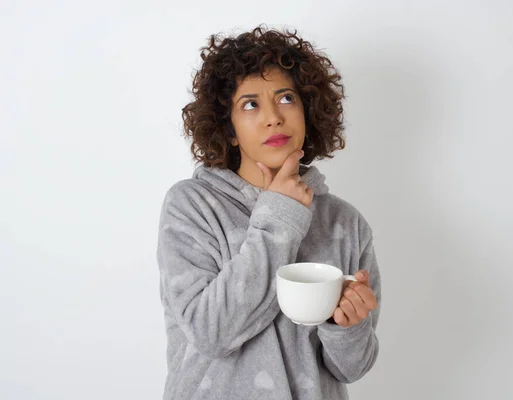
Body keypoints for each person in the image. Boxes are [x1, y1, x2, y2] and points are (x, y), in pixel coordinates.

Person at [156, 25, 382, 400]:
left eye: (287, 98)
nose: (274, 117)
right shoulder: (191, 207)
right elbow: (211, 333)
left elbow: (351, 368)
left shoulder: (345, 223)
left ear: (308, 111)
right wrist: (280, 214)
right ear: (228, 130)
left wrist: (348, 325)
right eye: (250, 104)